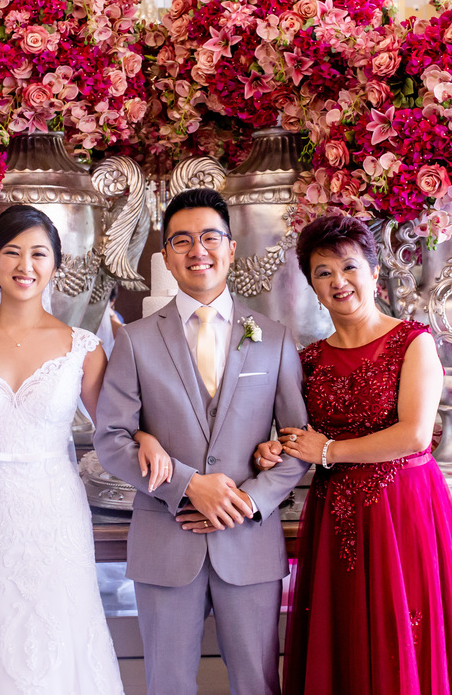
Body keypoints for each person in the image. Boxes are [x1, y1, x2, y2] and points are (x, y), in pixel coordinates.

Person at [0, 204, 169, 694]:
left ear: (55, 263)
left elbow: (114, 425)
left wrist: (146, 436)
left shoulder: (83, 347)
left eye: (38, 253)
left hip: (54, 515)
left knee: (56, 635)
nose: (25, 265)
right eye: (12, 252)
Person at [255, 213, 452, 694]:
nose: (338, 281)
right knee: (345, 638)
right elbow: (301, 435)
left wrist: (328, 450)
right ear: (313, 287)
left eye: (349, 267)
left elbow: (414, 435)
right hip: (335, 513)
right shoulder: (307, 360)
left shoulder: (413, 342)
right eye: (323, 272)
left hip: (403, 509)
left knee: (404, 636)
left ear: (374, 273)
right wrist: (275, 448)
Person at [94, 188, 309, 695]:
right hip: (166, 542)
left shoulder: (274, 338)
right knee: (167, 685)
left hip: (248, 541)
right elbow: (111, 439)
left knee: (257, 684)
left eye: (211, 237)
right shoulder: (135, 340)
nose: (198, 251)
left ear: (231, 249)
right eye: (182, 240)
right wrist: (188, 486)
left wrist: (246, 502)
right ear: (167, 256)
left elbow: (297, 443)